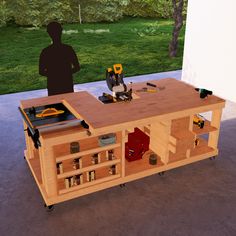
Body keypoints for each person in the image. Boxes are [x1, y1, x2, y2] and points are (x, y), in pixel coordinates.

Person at [39, 21, 80, 96]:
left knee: (54, 106)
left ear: (49, 33)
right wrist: (66, 73)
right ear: (61, 31)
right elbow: (77, 67)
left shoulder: (46, 52)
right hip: (67, 83)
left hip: (53, 85)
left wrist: (53, 75)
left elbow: (41, 71)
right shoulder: (68, 49)